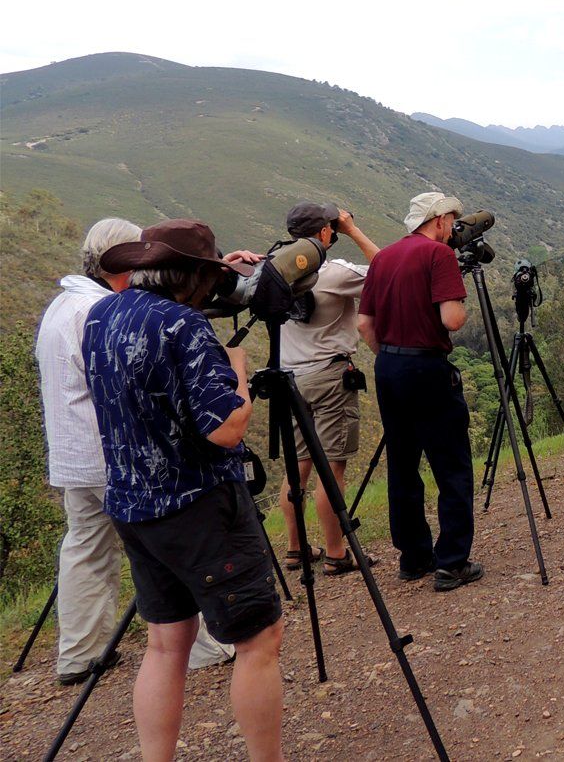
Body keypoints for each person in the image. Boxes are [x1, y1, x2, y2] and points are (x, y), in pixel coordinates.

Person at [82, 220, 284, 762]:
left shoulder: (101, 313)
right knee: (257, 640)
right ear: (193, 276)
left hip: (132, 504)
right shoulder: (183, 324)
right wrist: (237, 372)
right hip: (197, 505)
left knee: (166, 644)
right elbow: (227, 429)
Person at [35, 218, 234, 686]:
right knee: (175, 544)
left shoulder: (63, 304)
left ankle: (80, 652)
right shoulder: (103, 311)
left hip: (71, 455)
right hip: (117, 454)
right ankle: (207, 645)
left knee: (85, 549)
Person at [357, 191, 483, 592]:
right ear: (440, 220)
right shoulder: (439, 255)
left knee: (403, 465)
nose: (453, 227)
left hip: (388, 367)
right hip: (427, 367)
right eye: (452, 220)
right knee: (451, 465)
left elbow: (364, 325)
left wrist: (389, 356)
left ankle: (413, 558)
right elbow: (453, 319)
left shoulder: (383, 258)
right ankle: (452, 563)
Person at [278, 202, 380, 575]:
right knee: (332, 468)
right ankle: (337, 553)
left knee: (297, 469)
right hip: (328, 378)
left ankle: (296, 549)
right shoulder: (333, 272)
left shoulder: (275, 270)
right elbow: (387, 267)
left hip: (289, 380)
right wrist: (351, 229)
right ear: (325, 232)